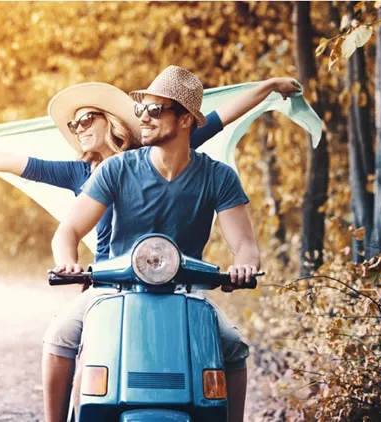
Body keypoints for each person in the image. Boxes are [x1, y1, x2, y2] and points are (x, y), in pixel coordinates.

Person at [49, 66, 261, 422]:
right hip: (112, 289)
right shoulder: (116, 169)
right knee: (60, 336)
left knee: (234, 348)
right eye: (141, 110)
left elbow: (246, 245)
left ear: (185, 120)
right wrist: (67, 261)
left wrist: (244, 265)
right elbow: (67, 231)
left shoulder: (218, 176)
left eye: (155, 110)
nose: (143, 119)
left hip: (188, 293)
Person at [0, 78, 300, 264]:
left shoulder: (158, 148)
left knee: (229, 348)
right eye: (74, 125)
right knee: (62, 341)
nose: (80, 127)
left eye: (87, 118)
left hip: (173, 277)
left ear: (112, 121)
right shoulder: (76, 174)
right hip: (110, 279)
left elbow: (222, 113)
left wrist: (269, 87)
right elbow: (2, 160)